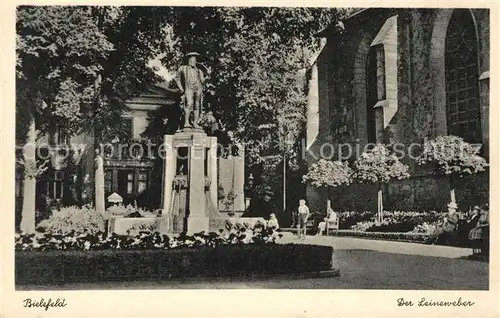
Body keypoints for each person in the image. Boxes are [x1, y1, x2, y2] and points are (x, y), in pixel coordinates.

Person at [175, 52, 206, 129]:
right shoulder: (182, 68)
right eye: (192, 59)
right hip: (188, 87)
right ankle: (186, 122)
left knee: (197, 105)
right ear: (188, 60)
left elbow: (202, 81)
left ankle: (195, 123)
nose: (193, 61)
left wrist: (207, 78)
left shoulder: (199, 71)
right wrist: (181, 88)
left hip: (198, 88)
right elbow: (177, 78)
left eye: (195, 60)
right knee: (189, 104)